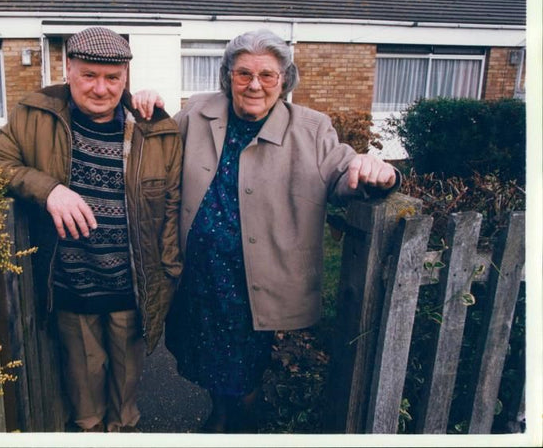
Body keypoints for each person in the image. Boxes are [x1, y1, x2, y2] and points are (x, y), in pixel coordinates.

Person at [132, 28, 399, 433]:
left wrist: (379, 172)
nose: (254, 84)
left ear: (284, 80)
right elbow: (157, 151)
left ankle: (239, 425)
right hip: (200, 274)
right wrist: (148, 111)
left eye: (267, 75)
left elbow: (344, 174)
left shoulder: (311, 128)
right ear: (228, 77)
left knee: (245, 370)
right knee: (208, 358)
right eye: (243, 74)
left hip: (255, 281)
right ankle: (221, 417)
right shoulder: (197, 113)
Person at [0, 27, 182, 433]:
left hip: (131, 282)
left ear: (127, 77)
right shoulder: (34, 114)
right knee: (84, 383)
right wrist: (49, 189)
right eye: (89, 75)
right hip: (72, 280)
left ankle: (123, 429)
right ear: (68, 69)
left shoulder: (156, 128)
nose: (101, 89)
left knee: (126, 382)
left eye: (112, 78)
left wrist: (170, 268)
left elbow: (172, 204)